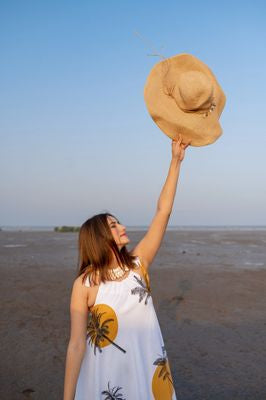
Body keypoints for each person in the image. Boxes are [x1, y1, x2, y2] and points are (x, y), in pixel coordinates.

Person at [63, 133, 190, 400]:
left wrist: (175, 162)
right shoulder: (84, 284)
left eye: (118, 222)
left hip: (146, 368)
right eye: (113, 225)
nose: (122, 227)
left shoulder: (138, 263)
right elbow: (75, 345)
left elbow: (162, 212)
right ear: (100, 237)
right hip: (105, 377)